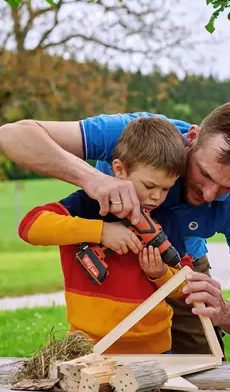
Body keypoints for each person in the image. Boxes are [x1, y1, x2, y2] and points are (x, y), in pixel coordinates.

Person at [0, 102, 230, 354]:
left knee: (200, 365)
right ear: (191, 139)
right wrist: (93, 180)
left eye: (228, 187)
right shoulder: (140, 136)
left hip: (176, 262)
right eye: (204, 174)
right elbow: (12, 135)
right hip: (111, 256)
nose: (208, 195)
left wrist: (224, 311)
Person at [18, 117, 193, 354]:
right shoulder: (86, 205)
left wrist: (160, 274)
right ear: (119, 170)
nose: (156, 197)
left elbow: (184, 289)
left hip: (154, 350)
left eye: (166, 189)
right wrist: (101, 231)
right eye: (149, 186)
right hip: (88, 348)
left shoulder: (166, 221)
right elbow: (30, 227)